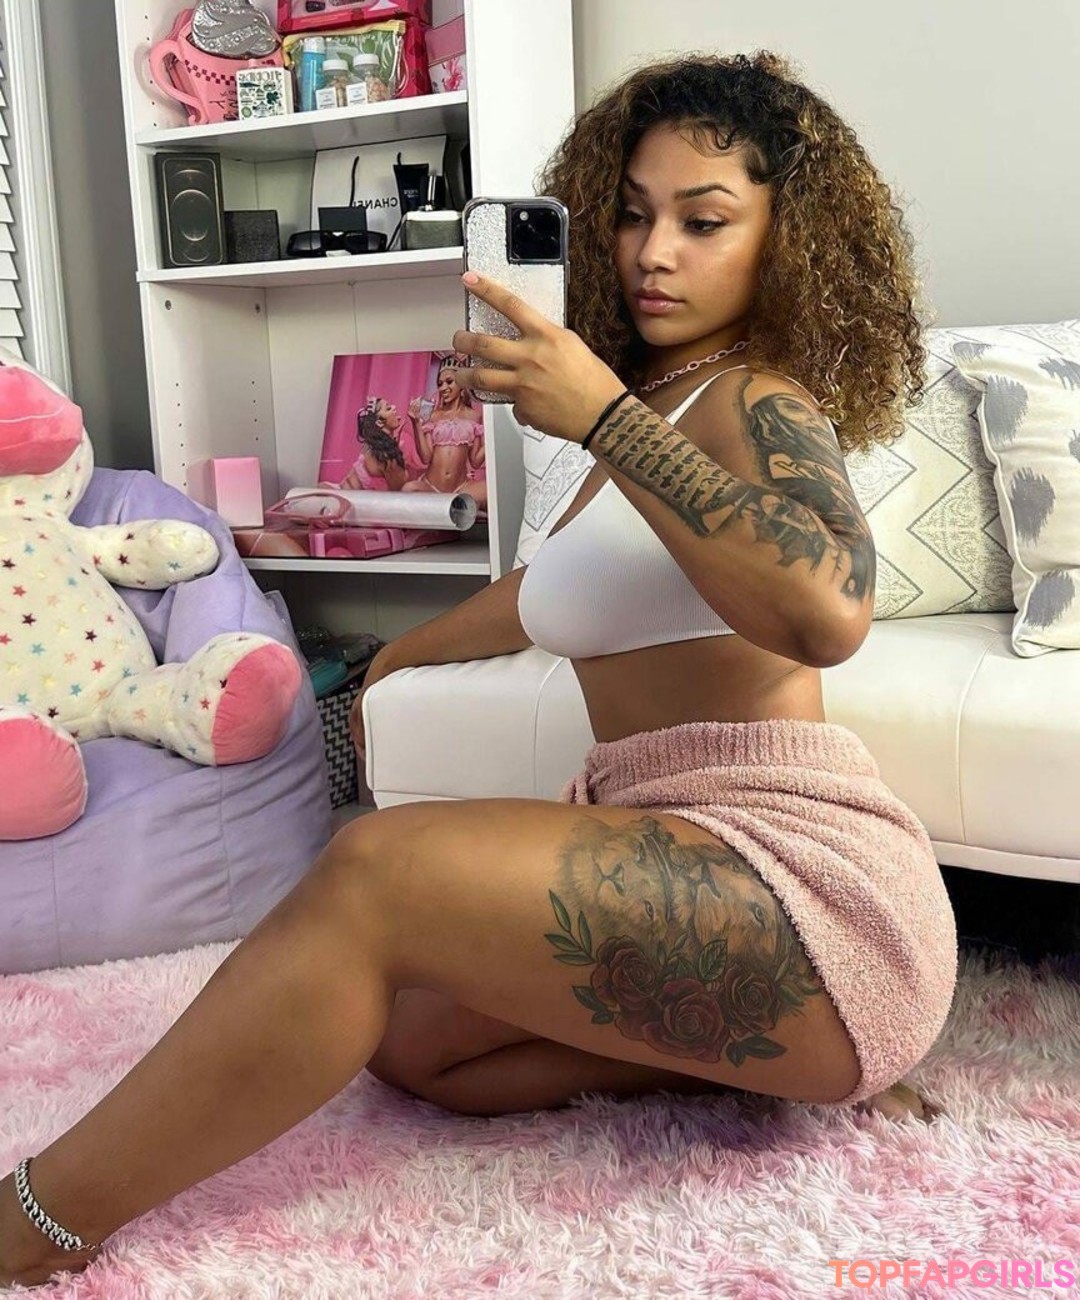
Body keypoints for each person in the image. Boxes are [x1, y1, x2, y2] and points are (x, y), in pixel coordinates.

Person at [0, 50, 957, 1287]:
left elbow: (829, 610)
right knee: (410, 1039)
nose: (653, 252)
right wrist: (388, 663)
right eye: (632, 214)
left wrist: (604, 414)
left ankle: (41, 1219)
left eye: (704, 220)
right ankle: (754, 1061)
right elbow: (541, 595)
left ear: (787, 241)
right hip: (671, 846)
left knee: (375, 873)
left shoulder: (757, 399)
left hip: (801, 884)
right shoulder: (663, 410)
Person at [402, 362, 488, 511]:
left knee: (488, 492)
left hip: (461, 488)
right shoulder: (433, 416)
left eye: (449, 382)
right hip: (431, 487)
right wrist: (416, 424)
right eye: (440, 384)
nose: (443, 388)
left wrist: (492, 441)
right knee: (408, 489)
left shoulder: (474, 416)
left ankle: (454, 506)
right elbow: (426, 458)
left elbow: (475, 461)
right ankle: (455, 508)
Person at [338, 396, 416, 492]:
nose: (394, 407)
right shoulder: (386, 456)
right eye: (388, 408)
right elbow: (398, 489)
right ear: (379, 422)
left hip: (344, 492)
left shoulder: (372, 446)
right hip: (348, 498)